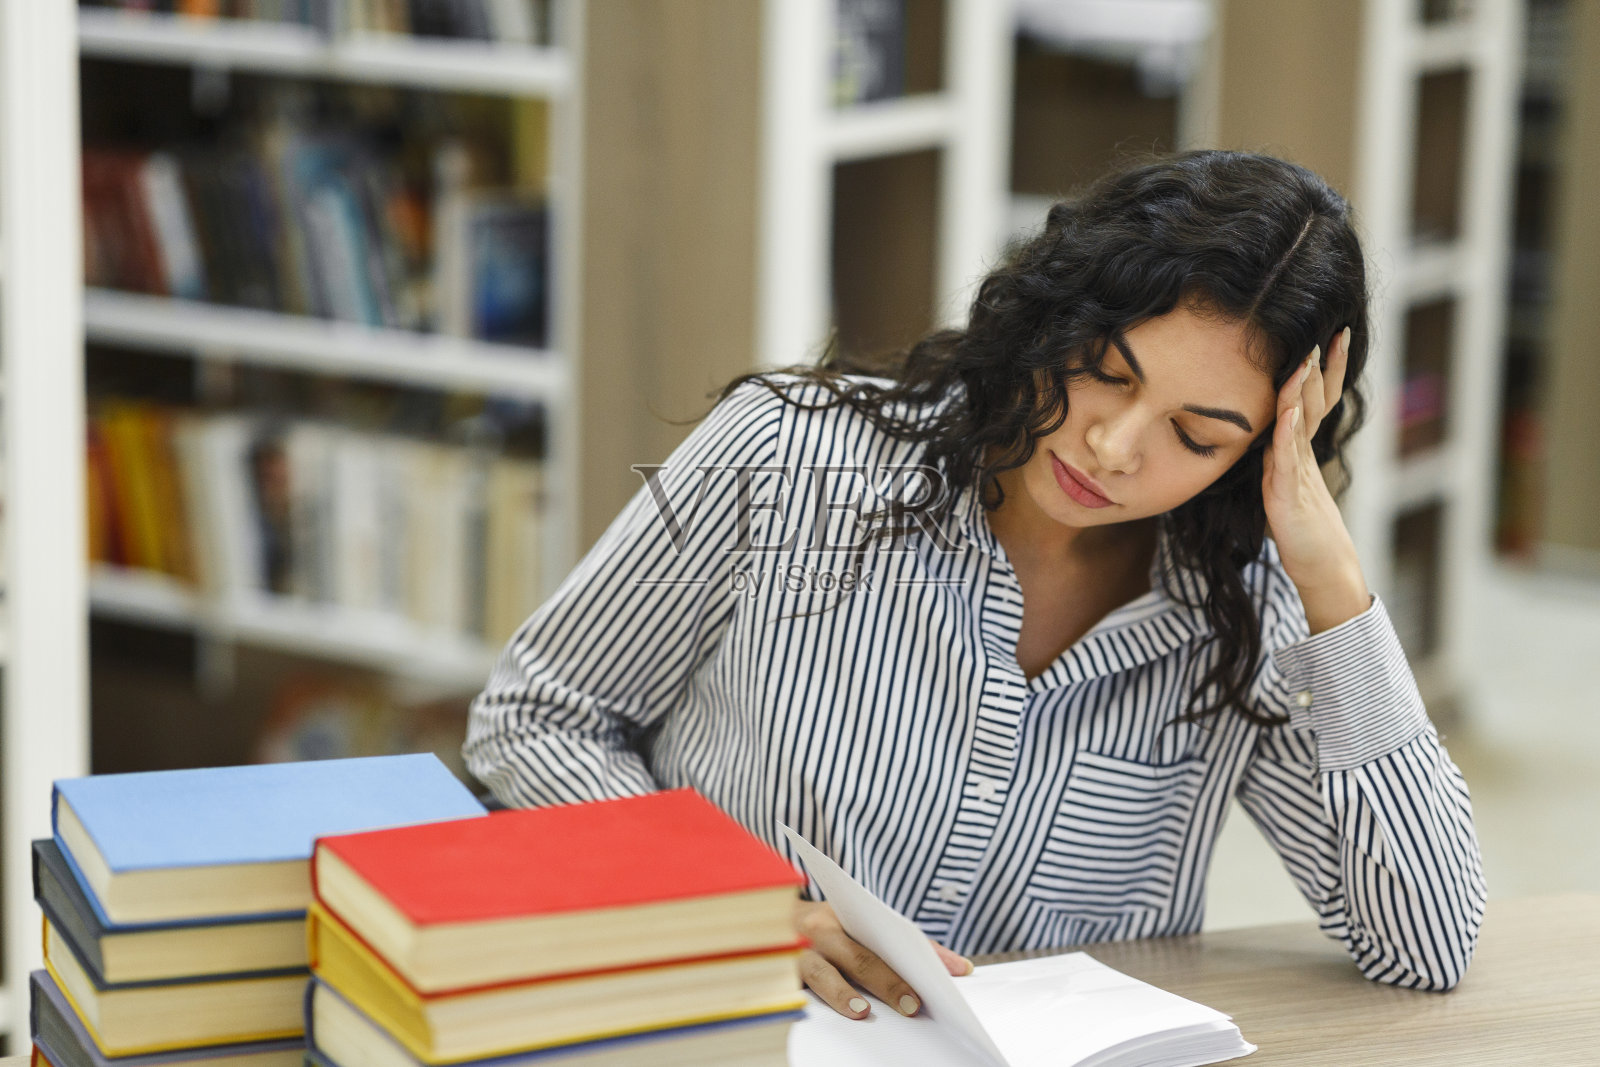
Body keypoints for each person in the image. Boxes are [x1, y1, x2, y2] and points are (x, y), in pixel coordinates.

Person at [464, 151, 1486, 1020]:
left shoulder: (1247, 610)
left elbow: (1427, 941)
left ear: (1258, 448)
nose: (1114, 446)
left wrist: (1332, 585)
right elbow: (538, 716)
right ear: (1057, 314)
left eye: (1195, 435)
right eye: (1106, 370)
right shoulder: (784, 455)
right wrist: (725, 905)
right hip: (736, 1028)